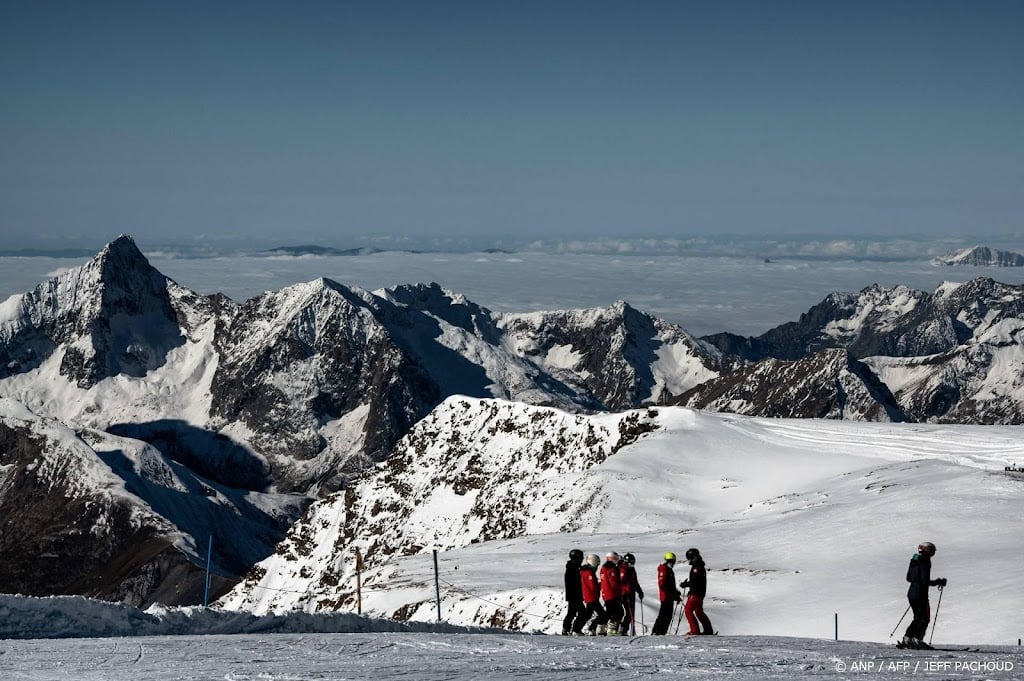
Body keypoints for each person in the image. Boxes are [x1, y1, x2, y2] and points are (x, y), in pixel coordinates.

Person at [901, 541, 946, 649]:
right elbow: (925, 581)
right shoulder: (925, 561)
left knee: (917, 617)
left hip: (912, 593)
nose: (933, 553)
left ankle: (907, 638)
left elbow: (909, 578)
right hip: (921, 594)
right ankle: (917, 640)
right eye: (932, 550)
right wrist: (938, 582)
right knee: (924, 618)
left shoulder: (914, 560)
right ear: (928, 550)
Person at [680, 547, 714, 635]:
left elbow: (695, 582)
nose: (688, 560)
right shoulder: (699, 566)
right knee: (698, 612)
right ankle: (708, 630)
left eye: (689, 558)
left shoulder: (696, 568)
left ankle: (695, 631)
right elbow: (697, 581)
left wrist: (685, 584)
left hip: (696, 594)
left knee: (688, 611)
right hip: (700, 593)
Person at [573, 554, 608, 635]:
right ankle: (585, 629)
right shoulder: (589, 573)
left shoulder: (585, 571)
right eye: (597, 564)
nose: (597, 567)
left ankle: (579, 629)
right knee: (601, 614)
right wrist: (601, 584)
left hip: (590, 596)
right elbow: (593, 586)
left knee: (588, 614)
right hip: (591, 596)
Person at [651, 552, 681, 635]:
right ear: (667, 561)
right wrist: (673, 593)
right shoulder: (664, 570)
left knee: (668, 615)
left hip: (670, 597)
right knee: (663, 615)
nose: (672, 563)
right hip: (665, 596)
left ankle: (662, 632)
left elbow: (671, 585)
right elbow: (662, 585)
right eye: (670, 561)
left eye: (673, 561)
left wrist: (675, 593)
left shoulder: (669, 570)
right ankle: (656, 631)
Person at [618, 552, 644, 635]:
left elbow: (635, 582)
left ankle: (624, 628)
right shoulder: (622, 569)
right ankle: (619, 627)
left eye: (633, 562)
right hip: (623, 594)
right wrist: (625, 592)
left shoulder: (631, 569)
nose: (632, 564)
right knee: (623, 612)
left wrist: (639, 591)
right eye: (631, 562)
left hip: (631, 593)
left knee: (630, 613)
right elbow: (621, 583)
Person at [562, 549, 585, 635]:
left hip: (574, 594)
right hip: (574, 594)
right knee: (582, 612)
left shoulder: (573, 567)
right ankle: (575, 629)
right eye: (581, 558)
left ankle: (567, 629)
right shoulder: (572, 568)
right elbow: (574, 582)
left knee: (572, 613)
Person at [599, 552, 623, 635]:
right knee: (617, 612)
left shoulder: (604, 568)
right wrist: (622, 586)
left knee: (610, 611)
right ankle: (611, 628)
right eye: (615, 558)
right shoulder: (611, 569)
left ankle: (601, 627)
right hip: (612, 593)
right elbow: (614, 583)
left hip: (606, 593)